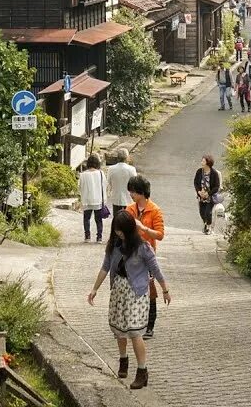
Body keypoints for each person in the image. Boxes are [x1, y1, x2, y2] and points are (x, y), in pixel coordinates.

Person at [87, 210, 170, 389]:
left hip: (137, 293)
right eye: (117, 231)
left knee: (134, 331)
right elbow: (105, 267)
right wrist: (94, 289)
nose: (119, 234)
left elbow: (156, 270)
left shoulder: (143, 247)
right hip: (118, 291)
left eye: (122, 231)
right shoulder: (114, 245)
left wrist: (165, 290)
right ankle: (123, 360)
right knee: (119, 329)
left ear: (130, 229)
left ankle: (142, 371)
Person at [125, 176, 165, 339]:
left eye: (133, 191)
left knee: (150, 289)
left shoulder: (154, 210)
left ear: (141, 192)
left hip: (147, 255)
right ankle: (133, 321)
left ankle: (150, 325)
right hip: (130, 254)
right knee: (130, 287)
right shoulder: (129, 209)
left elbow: (160, 234)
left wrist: (144, 229)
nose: (131, 194)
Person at [78, 154, 108, 242]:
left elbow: (80, 187)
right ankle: (99, 237)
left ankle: (87, 236)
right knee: (98, 219)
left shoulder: (83, 175)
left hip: (87, 200)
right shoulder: (101, 173)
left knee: (86, 218)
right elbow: (104, 185)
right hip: (98, 199)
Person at [194, 155, 222, 235]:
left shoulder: (214, 173)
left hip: (210, 196)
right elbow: (196, 182)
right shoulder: (199, 171)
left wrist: (208, 194)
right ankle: (206, 224)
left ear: (208, 163)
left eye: (203, 161)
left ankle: (209, 227)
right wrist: (199, 192)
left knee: (208, 212)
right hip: (201, 196)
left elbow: (216, 187)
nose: (201, 162)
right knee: (202, 212)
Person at [106, 148, 137, 215]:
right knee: (129, 220)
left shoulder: (111, 169)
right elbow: (135, 184)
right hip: (129, 199)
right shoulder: (132, 169)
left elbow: (109, 182)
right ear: (127, 158)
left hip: (116, 198)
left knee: (117, 220)